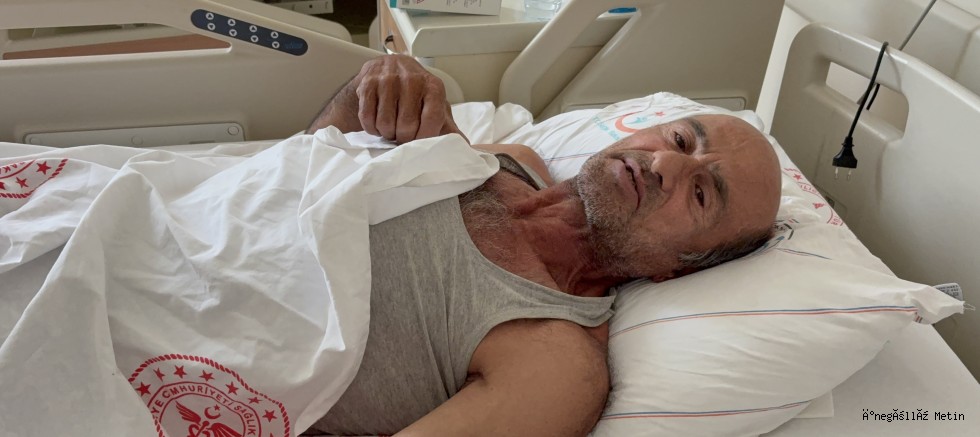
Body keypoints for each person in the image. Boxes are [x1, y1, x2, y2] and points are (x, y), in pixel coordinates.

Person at [303, 55, 782, 436]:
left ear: (679, 270)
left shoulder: (557, 364)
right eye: (679, 139)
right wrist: (375, 87)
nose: (664, 164)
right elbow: (305, 171)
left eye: (700, 194)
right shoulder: (510, 160)